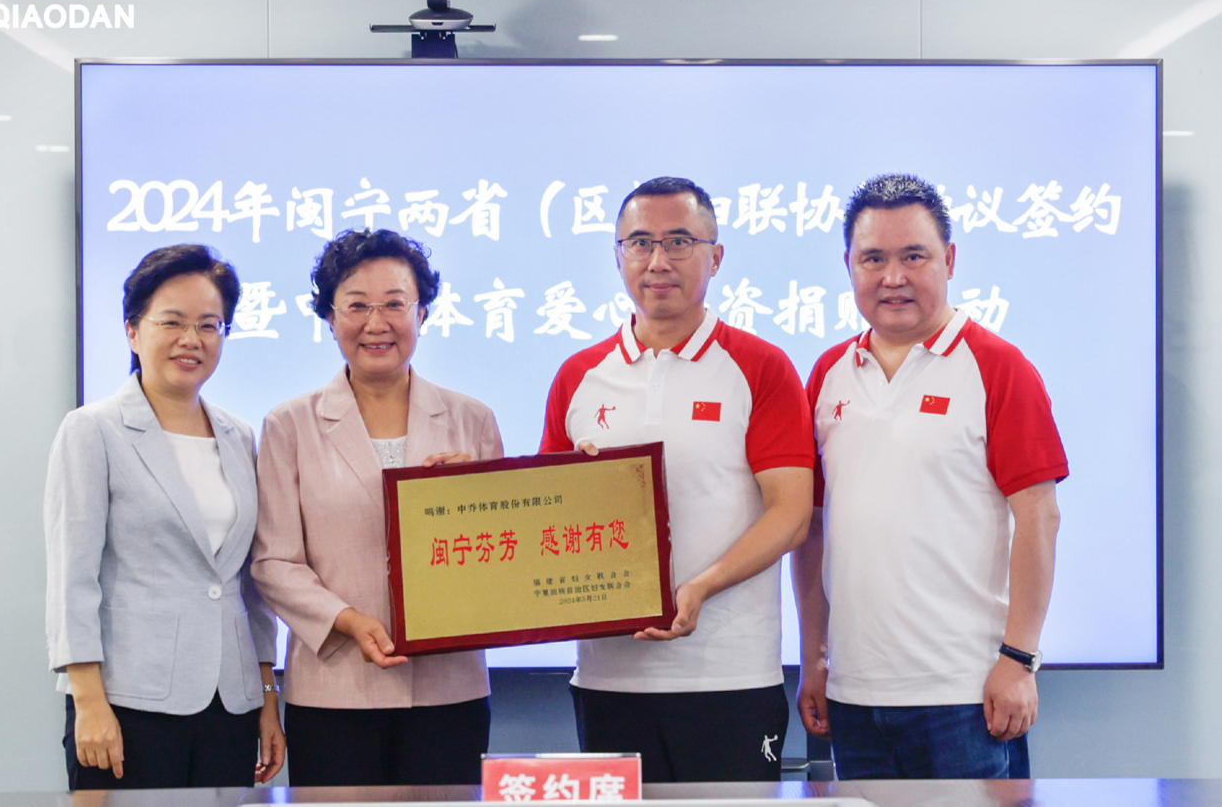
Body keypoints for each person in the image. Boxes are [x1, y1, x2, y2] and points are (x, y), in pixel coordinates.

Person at [539, 176, 815, 782]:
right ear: (618, 256)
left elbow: (791, 514)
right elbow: (544, 522)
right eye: (640, 243)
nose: (657, 261)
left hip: (729, 676)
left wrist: (700, 587)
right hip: (609, 678)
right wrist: (570, 490)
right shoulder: (578, 376)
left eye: (679, 242)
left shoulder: (761, 367)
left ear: (716, 256)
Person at [793, 174, 1067, 780]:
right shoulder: (828, 374)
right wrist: (815, 656)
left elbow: (1039, 518)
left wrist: (1019, 660)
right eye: (873, 258)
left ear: (949, 259)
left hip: (965, 693)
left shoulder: (998, 367)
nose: (893, 277)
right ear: (849, 264)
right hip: (853, 693)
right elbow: (812, 529)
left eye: (913, 256)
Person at [251, 228, 502, 786]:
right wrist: (348, 621)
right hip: (335, 690)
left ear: (422, 313)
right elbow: (274, 562)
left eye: (394, 304)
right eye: (357, 306)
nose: (376, 323)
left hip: (450, 689)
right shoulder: (289, 425)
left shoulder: (473, 420)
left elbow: (503, 557)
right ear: (329, 316)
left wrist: (478, 501)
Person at [44, 244, 284, 790]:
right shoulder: (93, 430)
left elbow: (249, 586)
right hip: (128, 701)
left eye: (209, 325)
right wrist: (89, 702)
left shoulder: (238, 435)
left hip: (230, 704)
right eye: (172, 322)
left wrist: (268, 697)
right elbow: (72, 579)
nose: (191, 339)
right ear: (132, 330)